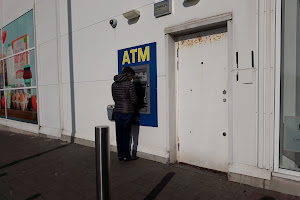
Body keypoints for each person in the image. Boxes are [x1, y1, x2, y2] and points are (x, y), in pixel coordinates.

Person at [112, 67, 137, 161]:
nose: (132, 78)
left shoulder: (114, 84)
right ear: (129, 75)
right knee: (126, 134)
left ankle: (120, 155)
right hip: (127, 112)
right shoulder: (129, 84)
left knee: (119, 134)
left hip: (117, 111)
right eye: (132, 76)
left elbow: (114, 98)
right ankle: (126, 156)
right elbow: (134, 100)